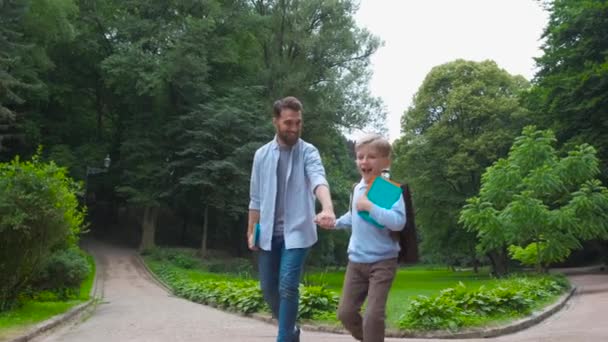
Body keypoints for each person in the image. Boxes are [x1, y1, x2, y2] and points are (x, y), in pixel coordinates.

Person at [247, 96, 336, 342]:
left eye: (298, 123)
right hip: (267, 233)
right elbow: (255, 198)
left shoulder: (308, 151)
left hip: (297, 231)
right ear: (275, 121)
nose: (294, 128)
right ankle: (291, 332)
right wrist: (251, 230)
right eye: (288, 123)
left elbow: (319, 179)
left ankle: (284, 337)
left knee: (287, 285)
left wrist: (327, 208)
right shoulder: (261, 155)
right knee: (269, 290)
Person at [320, 134, 406, 342]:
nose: (364, 162)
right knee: (346, 314)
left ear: (386, 161)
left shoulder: (388, 190)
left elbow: (398, 222)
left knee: (373, 317)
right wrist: (336, 223)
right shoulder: (357, 188)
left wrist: (371, 207)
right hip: (356, 262)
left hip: (382, 262)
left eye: (372, 157)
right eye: (360, 157)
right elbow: (354, 215)